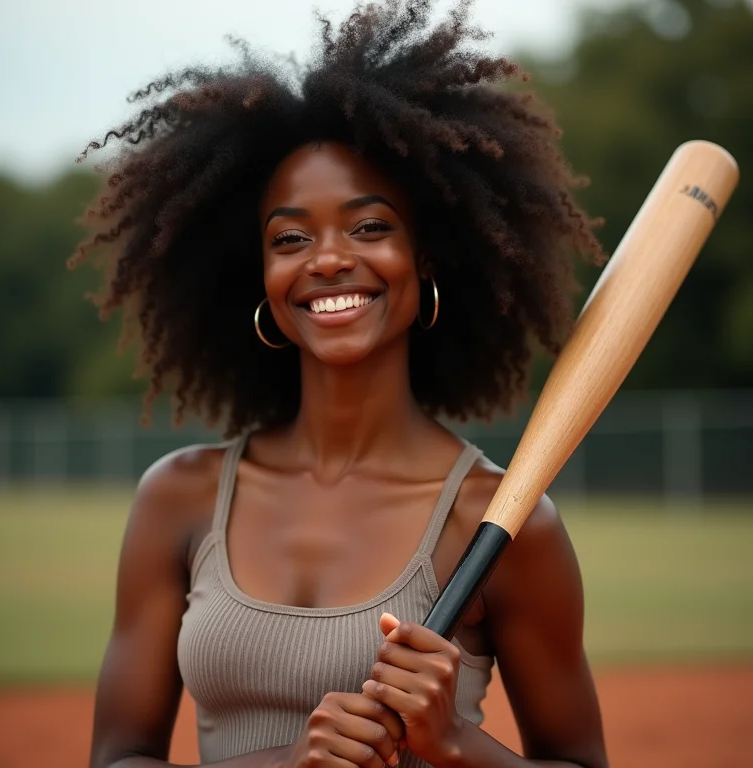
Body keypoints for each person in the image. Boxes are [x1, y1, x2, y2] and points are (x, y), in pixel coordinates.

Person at [72, 1, 608, 766]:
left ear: (425, 259)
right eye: (291, 238)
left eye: (369, 227)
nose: (327, 260)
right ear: (259, 276)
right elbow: (117, 757)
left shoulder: (502, 522)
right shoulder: (179, 497)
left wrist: (455, 746)